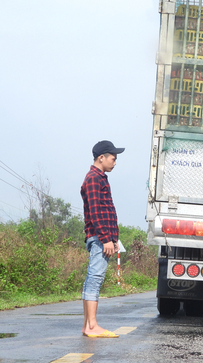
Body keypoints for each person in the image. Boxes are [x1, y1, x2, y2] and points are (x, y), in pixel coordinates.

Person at [80, 140, 125, 338]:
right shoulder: (93, 179)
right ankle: (92, 326)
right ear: (102, 157)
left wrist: (113, 240)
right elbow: (96, 212)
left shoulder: (100, 178)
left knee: (94, 278)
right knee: (95, 278)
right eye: (113, 159)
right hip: (99, 238)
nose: (115, 162)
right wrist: (106, 239)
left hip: (103, 238)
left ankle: (88, 326)